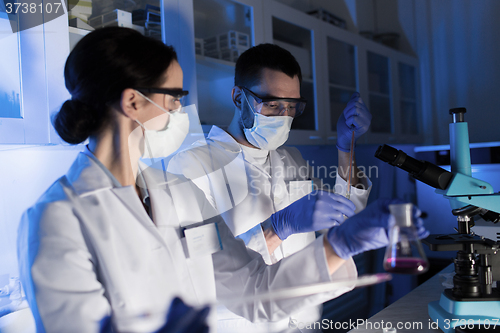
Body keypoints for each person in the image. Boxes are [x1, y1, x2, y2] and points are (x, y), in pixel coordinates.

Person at [17, 27, 426, 333]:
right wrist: (280, 226)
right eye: (174, 96)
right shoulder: (57, 218)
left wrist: (341, 243)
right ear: (133, 101)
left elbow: (252, 289)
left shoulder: (177, 196)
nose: (182, 109)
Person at [168, 43, 372, 332]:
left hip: (305, 320)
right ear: (239, 98)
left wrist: (345, 148)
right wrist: (277, 227)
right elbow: (201, 268)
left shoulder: (293, 159)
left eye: (292, 107)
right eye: (273, 104)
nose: (284, 116)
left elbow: (343, 215)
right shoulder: (191, 166)